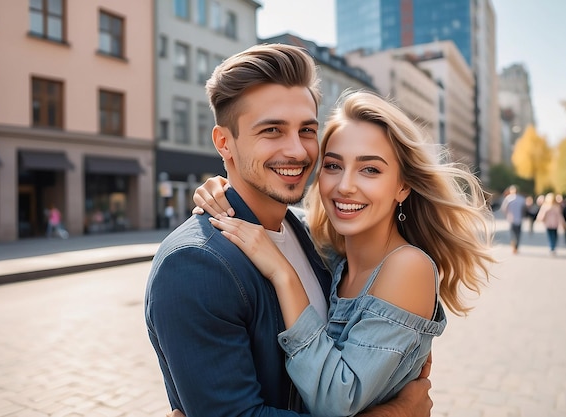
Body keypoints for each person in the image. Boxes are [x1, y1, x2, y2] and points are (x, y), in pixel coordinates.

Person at [145, 44, 433, 417]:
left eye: (307, 130)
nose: (297, 151)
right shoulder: (196, 263)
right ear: (223, 142)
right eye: (272, 130)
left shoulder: (311, 236)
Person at [193, 90, 495, 416]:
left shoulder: (407, 267)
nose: (345, 186)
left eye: (370, 170)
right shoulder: (329, 251)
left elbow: (337, 400)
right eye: (334, 165)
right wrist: (224, 187)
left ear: (402, 186)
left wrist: (284, 275)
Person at [500, 185, 526, 254]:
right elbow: (525, 209)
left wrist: (506, 215)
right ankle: (516, 247)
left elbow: (503, 208)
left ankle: (513, 247)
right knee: (518, 234)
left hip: (511, 219)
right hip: (519, 219)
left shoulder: (508, 199)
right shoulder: (522, 199)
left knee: (513, 234)